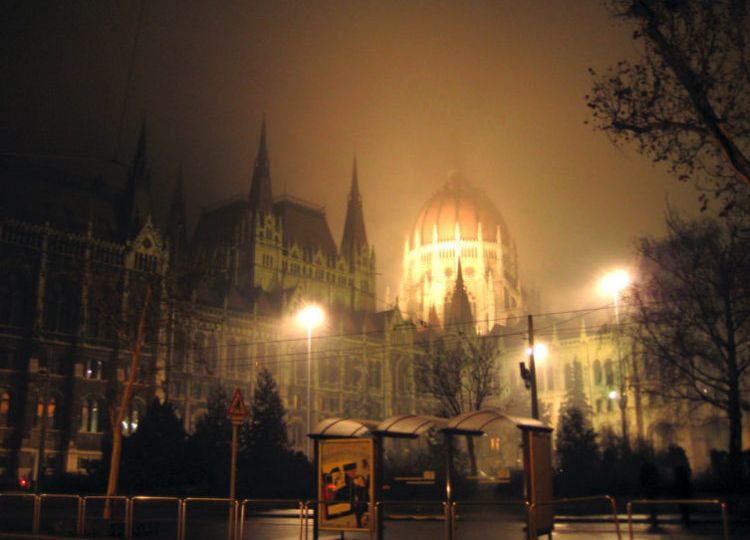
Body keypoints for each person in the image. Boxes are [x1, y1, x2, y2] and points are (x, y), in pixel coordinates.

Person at [639, 458, 661, 531]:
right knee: (653, 503)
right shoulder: (652, 468)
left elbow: (642, 479)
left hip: (649, 488)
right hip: (653, 488)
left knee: (651, 503)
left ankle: (653, 517)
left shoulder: (644, 469)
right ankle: (654, 517)